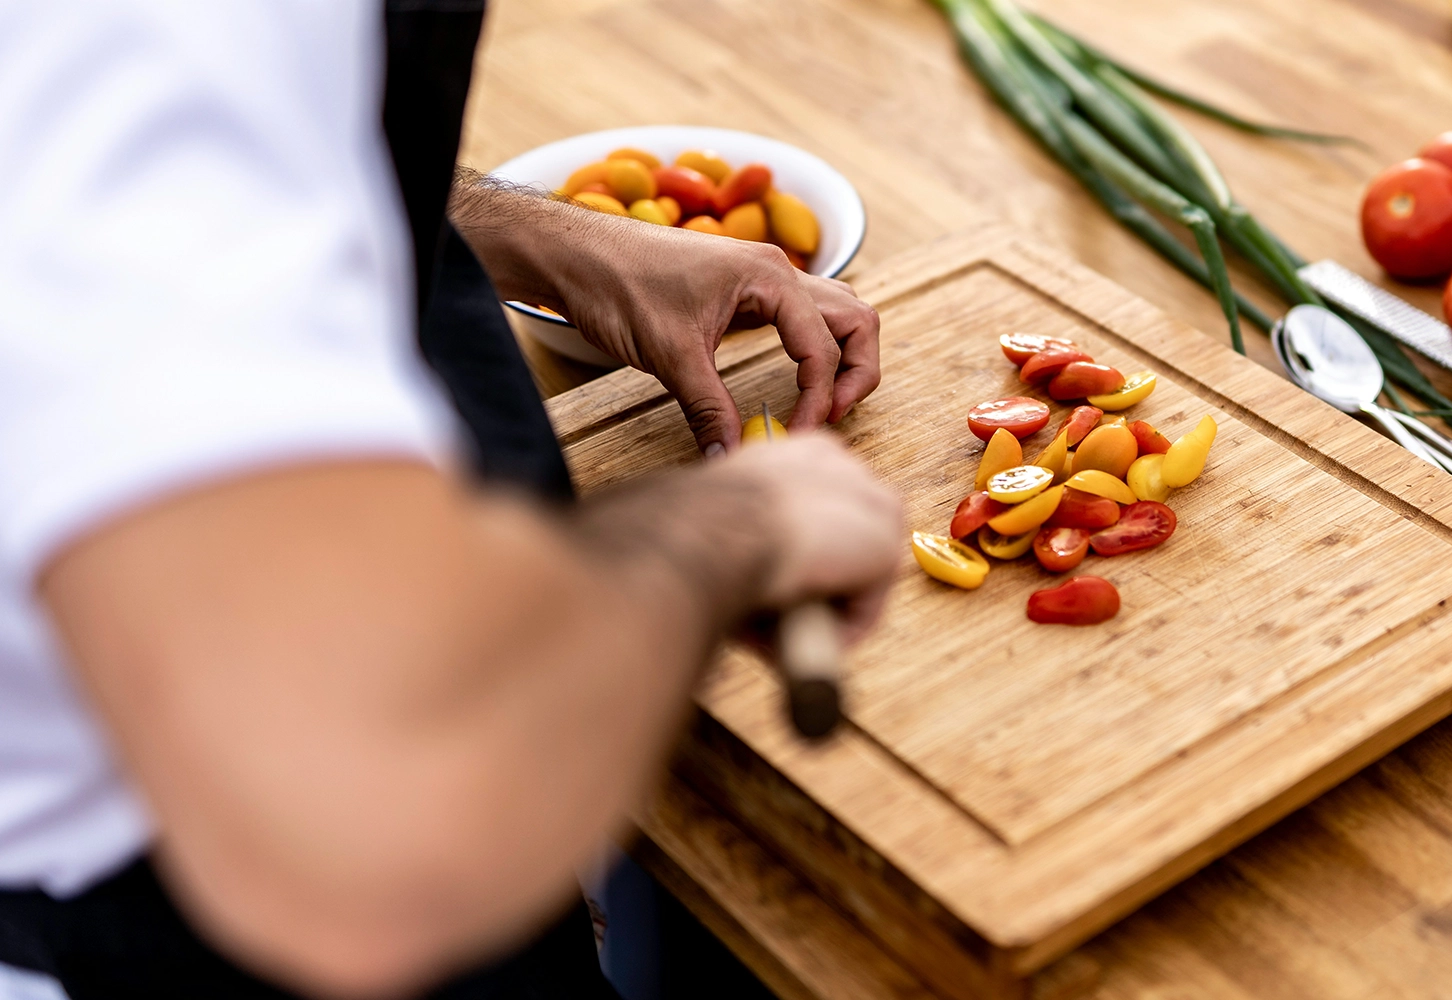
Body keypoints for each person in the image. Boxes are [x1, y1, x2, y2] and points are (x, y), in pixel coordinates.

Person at [0, 1, 904, 997]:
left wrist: (554, 239)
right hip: (193, 916)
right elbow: (372, 830)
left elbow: (231, 148)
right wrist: (733, 528)